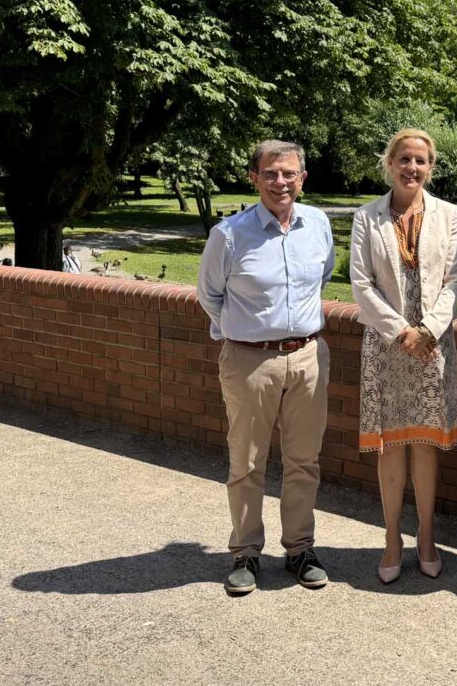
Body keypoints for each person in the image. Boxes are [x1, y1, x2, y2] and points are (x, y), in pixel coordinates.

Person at [197, 139, 335, 595]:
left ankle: (299, 548)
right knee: (248, 461)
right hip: (250, 361)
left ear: (302, 178)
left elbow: (324, 275)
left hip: (309, 356)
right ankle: (245, 553)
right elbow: (209, 296)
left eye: (289, 173)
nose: (281, 182)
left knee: (304, 460)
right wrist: (242, 332)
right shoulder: (230, 235)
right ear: (254, 178)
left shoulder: (317, 224)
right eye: (271, 174)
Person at [350, 128, 457, 584]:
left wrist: (428, 330)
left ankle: (427, 536)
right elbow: (361, 284)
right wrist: (401, 332)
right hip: (386, 346)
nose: (412, 168)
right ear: (389, 164)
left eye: (420, 161)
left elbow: (454, 280)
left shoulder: (450, 215)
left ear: (431, 167)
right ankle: (393, 538)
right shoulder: (366, 218)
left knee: (425, 443)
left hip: (432, 348)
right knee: (391, 444)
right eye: (404, 160)